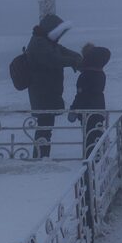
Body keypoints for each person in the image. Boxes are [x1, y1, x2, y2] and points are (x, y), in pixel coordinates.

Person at [26, 13, 82, 159]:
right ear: (52, 31)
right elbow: (55, 59)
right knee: (44, 128)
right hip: (43, 94)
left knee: (46, 128)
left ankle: (41, 156)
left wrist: (78, 57)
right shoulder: (39, 43)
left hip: (48, 93)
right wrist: (73, 62)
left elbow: (62, 51)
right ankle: (40, 157)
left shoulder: (47, 42)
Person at [69, 43, 112, 158]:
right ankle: (98, 159)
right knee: (97, 135)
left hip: (87, 111)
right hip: (98, 108)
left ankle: (91, 163)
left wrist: (73, 109)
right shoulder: (100, 73)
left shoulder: (86, 75)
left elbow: (81, 95)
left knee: (89, 139)